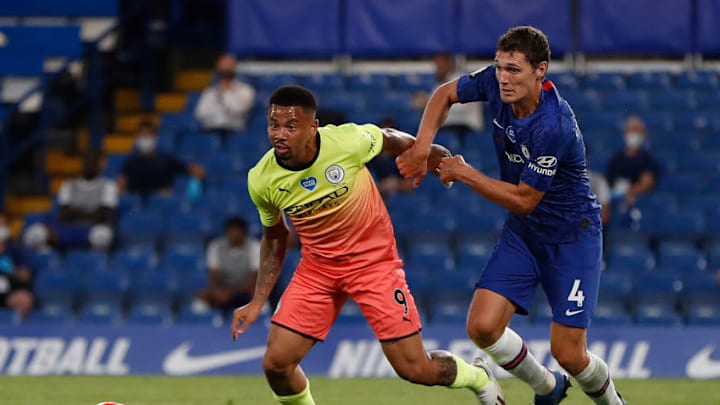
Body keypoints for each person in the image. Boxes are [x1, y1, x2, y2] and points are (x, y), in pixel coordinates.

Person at [231, 85, 504, 405]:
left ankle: (478, 376)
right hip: (318, 270)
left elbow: (388, 137)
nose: (280, 134)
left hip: (374, 265)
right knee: (276, 365)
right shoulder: (262, 179)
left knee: (416, 369)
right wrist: (257, 299)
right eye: (274, 125)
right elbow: (275, 236)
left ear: (312, 127)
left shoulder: (346, 142)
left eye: (291, 126)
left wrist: (425, 152)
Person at [397, 26, 626, 405]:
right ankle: (548, 387)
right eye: (500, 67)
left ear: (541, 70)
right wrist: (422, 148)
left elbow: (524, 199)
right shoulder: (495, 84)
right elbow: (444, 94)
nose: (503, 78)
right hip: (525, 233)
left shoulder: (554, 126)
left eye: (514, 70)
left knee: (570, 353)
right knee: (482, 327)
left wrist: (465, 172)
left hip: (572, 236)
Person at [23, 151, 117, 251]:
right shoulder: (68, 185)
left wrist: (75, 212)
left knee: (102, 235)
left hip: (92, 228)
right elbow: (64, 215)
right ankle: (48, 259)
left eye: (92, 162)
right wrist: (90, 212)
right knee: (35, 233)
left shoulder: (108, 185)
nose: (89, 165)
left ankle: (93, 260)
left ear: (98, 165)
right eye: (86, 162)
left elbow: (104, 215)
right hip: (67, 228)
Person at [117, 121, 205, 196]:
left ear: (155, 137)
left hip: (162, 204)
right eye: (142, 135)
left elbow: (196, 171)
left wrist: (192, 192)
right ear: (137, 138)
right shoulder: (131, 161)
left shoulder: (166, 159)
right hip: (137, 207)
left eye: (148, 135)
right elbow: (121, 184)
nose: (145, 138)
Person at [412, 53, 484, 143]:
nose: (438, 69)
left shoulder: (462, 79)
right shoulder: (439, 84)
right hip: (447, 127)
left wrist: (428, 103)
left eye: (440, 65)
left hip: (465, 127)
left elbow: (460, 106)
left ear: (449, 63)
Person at [195, 217, 260, 314]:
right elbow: (214, 277)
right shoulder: (215, 246)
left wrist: (231, 293)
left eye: (237, 231)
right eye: (231, 231)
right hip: (222, 291)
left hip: (246, 291)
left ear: (244, 232)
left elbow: (255, 280)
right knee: (200, 302)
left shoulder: (255, 247)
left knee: (261, 301)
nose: (233, 234)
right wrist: (215, 292)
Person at [604, 116, 659, 207]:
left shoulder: (647, 159)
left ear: (643, 135)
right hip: (614, 201)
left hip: (637, 203)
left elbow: (646, 183)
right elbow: (607, 181)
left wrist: (630, 191)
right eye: (632, 130)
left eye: (638, 131)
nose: (634, 134)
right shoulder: (616, 159)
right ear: (625, 133)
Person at [194, 53, 256, 133]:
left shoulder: (246, 90)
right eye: (223, 66)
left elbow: (239, 110)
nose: (226, 68)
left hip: (234, 132)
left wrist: (226, 94)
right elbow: (201, 113)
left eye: (229, 65)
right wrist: (223, 114)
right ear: (218, 68)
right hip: (210, 129)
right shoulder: (210, 91)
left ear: (234, 67)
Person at [368, 117, 415, 199]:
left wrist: (396, 183)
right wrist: (381, 186)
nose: (388, 138)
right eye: (384, 134)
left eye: (391, 135)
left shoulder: (403, 157)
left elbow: (411, 185)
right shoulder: (370, 157)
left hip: (401, 199)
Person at [0, 212, 33, 320]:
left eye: (2, 224)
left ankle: (19, 332)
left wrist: (10, 271)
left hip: (9, 292)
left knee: (24, 299)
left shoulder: (15, 249)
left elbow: (25, 275)